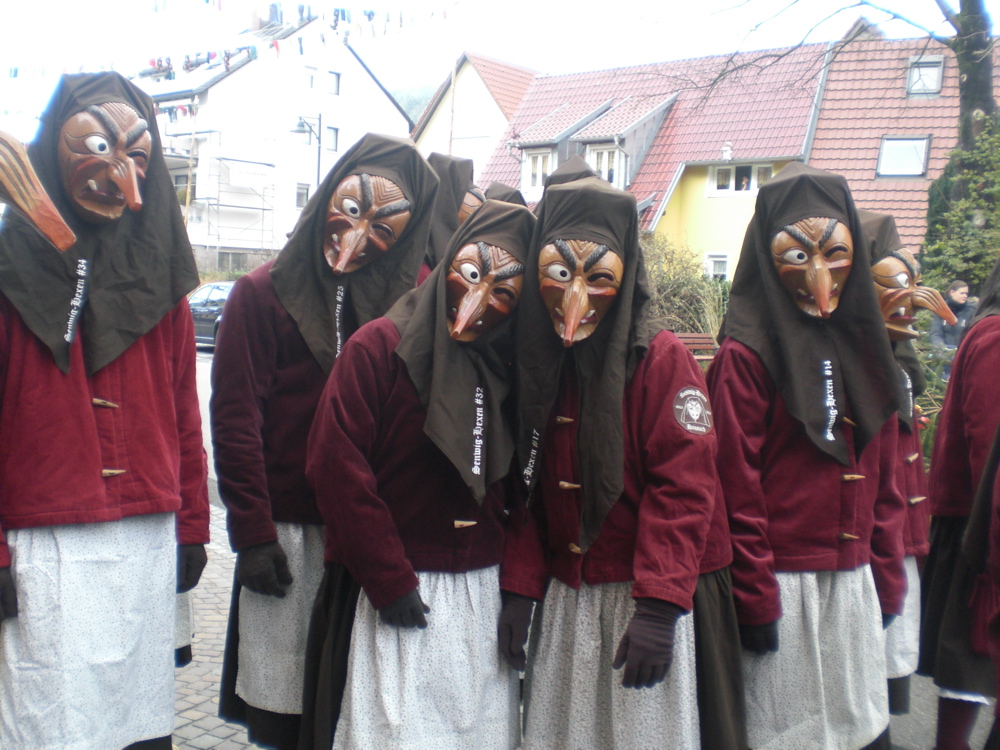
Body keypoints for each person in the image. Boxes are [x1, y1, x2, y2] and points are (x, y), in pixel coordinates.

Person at [0, 71, 210, 750]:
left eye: (138, 157)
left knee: (134, 721)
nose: (123, 180)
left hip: (144, 534)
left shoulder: (162, 284)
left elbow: (184, 412)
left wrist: (193, 524)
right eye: (96, 147)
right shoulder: (6, 273)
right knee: (48, 721)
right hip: (45, 541)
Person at [213, 133, 438, 750]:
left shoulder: (418, 301)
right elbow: (236, 418)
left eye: (385, 225)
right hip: (288, 536)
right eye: (353, 206)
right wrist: (253, 533)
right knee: (286, 707)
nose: (360, 234)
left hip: (372, 536)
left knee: (353, 707)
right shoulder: (261, 293)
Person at [305, 199, 535, 749]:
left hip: (481, 597)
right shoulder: (378, 348)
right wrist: (388, 578)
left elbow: (526, 487)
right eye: (472, 274)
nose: (479, 301)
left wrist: (519, 589)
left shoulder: (512, 366)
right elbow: (336, 466)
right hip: (396, 589)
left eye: (504, 293)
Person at [499, 176, 717, 749]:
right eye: (558, 272)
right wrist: (521, 586)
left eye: (597, 277)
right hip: (565, 601)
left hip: (633, 601)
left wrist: (659, 607)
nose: (575, 296)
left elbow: (684, 486)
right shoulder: (536, 359)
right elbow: (523, 483)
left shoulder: (659, 360)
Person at [706, 163, 907, 750]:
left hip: (852, 583)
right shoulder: (746, 356)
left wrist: (886, 574)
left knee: (857, 731)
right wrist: (754, 594)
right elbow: (734, 483)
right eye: (797, 256)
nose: (819, 274)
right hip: (783, 585)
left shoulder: (867, 347)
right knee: (786, 733)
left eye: (834, 253)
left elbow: (884, 477)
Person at [863, 209, 956, 718]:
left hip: (895, 515)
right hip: (873, 521)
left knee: (889, 636)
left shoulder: (893, 350)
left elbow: (908, 387)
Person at [920, 253, 1000, 750]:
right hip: (982, 526)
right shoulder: (996, 337)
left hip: (983, 520)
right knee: (970, 660)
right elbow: (987, 443)